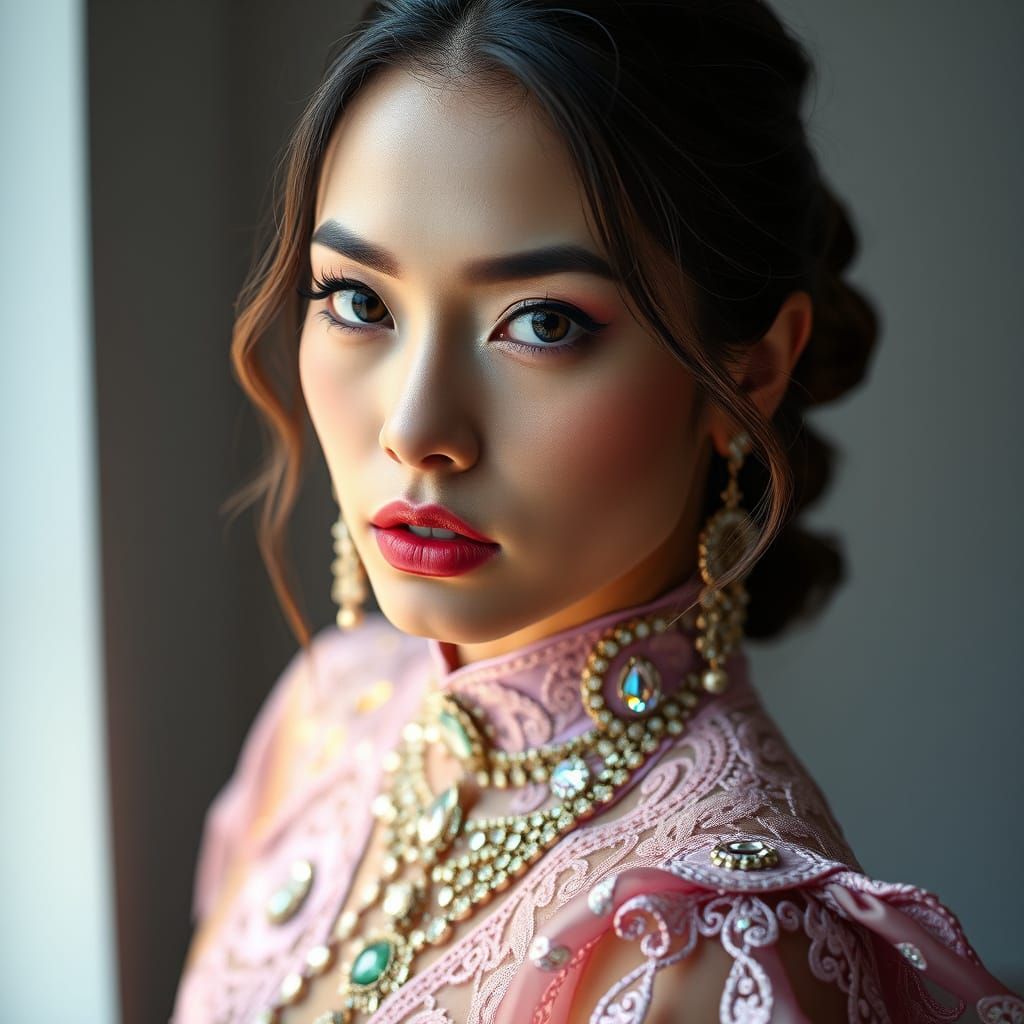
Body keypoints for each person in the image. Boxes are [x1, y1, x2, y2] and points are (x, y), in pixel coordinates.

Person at [170, 0, 1022, 1021]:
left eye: (541, 321)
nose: (414, 426)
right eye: (359, 301)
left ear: (744, 374)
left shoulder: (705, 943)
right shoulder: (324, 714)